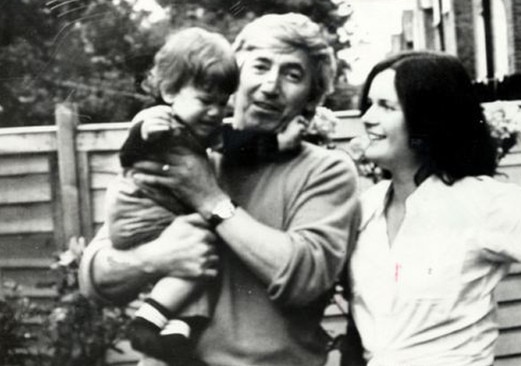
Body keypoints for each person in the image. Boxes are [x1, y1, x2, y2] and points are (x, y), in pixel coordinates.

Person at [79, 13, 359, 366]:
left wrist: (208, 198)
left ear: (311, 98)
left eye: (292, 75)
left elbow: (304, 277)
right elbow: (94, 276)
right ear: (234, 76)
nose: (271, 85)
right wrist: (154, 258)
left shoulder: (325, 170)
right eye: (260, 66)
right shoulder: (185, 146)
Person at [344, 51, 521, 366]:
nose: (367, 117)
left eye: (386, 106)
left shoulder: (481, 203)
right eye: (370, 104)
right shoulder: (364, 209)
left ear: (427, 120)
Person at [105, 26, 303, 365]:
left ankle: (178, 327)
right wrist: (145, 130)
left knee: (204, 260)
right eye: (204, 101)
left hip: (158, 217)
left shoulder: (202, 130)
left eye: (221, 103)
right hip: (139, 215)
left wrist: (277, 143)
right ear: (169, 91)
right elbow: (130, 152)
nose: (214, 112)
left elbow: (237, 144)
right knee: (203, 242)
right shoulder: (159, 120)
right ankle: (149, 318)